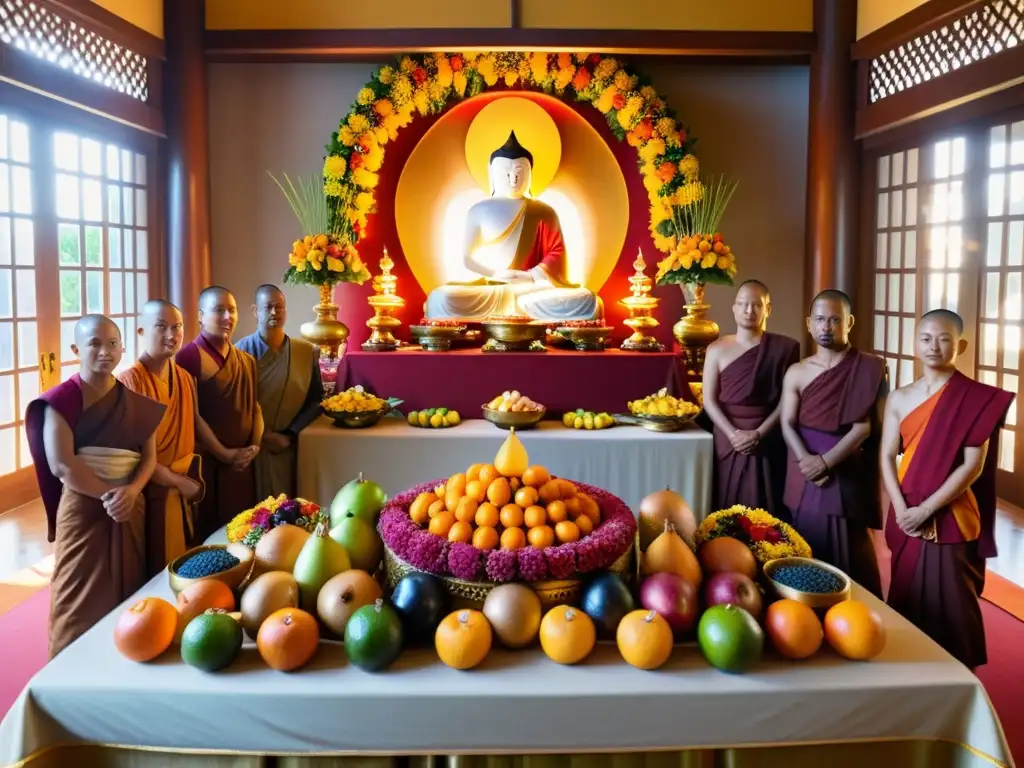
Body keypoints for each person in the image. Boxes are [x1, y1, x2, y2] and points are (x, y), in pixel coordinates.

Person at [25, 315, 166, 658]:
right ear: (75, 350)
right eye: (94, 344)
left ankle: (127, 651)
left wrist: (131, 492)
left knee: (129, 580)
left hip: (128, 503)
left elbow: (148, 458)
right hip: (85, 504)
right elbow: (62, 463)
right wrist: (109, 495)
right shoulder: (61, 401)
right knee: (77, 587)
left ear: (122, 348)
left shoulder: (134, 401)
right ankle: (67, 661)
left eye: (113, 344)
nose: (106, 352)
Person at [881, 309, 1014, 669]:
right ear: (914, 344)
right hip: (906, 510)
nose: (933, 346)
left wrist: (927, 510)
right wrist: (901, 508)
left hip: (952, 512)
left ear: (962, 345)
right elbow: (886, 457)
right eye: (925, 338)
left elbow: (973, 465)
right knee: (907, 593)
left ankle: (960, 675)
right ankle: (907, 669)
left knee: (955, 600)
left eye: (943, 339)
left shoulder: (974, 399)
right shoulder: (899, 398)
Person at [119, 300, 249, 575]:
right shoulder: (129, 382)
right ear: (141, 331)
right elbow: (133, 454)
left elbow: (195, 422)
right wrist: (174, 481)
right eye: (161, 327)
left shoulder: (184, 378)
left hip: (185, 486)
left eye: (177, 327)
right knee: (154, 569)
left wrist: (225, 454)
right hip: (151, 490)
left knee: (188, 560)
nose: (171, 334)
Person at [423, 131, 601, 322]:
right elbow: (467, 259)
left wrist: (531, 276)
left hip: (533, 289)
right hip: (494, 289)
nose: (513, 179)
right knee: (441, 298)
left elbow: (557, 252)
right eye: (506, 173)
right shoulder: (479, 210)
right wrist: (497, 274)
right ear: (492, 174)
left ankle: (522, 306)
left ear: (530, 174)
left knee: (587, 300)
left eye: (519, 172)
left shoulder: (544, 211)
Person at [781, 289, 887, 596]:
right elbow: (787, 423)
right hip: (804, 469)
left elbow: (864, 428)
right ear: (809, 323)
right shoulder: (797, 372)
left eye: (835, 319)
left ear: (849, 322)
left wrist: (825, 462)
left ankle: (861, 611)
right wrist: (807, 461)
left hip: (846, 467)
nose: (827, 326)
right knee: (807, 542)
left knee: (852, 549)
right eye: (820, 320)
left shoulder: (869, 368)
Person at [702, 280, 800, 516]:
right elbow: (709, 401)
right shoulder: (716, 349)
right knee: (727, 500)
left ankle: (771, 549)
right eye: (743, 304)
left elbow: (787, 401)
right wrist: (733, 434)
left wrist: (759, 433)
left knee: (767, 502)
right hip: (728, 436)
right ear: (734, 308)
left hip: (767, 434)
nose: (749, 311)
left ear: (768, 309)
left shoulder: (785, 348)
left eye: (757, 305)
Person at [176, 286, 262, 542]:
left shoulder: (246, 360)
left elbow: (255, 407)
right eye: (219, 310)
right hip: (209, 462)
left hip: (243, 462)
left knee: (244, 531)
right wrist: (225, 454)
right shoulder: (188, 357)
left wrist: (254, 446)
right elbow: (191, 415)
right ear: (201, 316)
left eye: (231, 310)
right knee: (211, 536)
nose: (227, 317)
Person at [236, 285, 323, 499]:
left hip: (287, 446)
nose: (274, 312)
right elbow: (233, 404)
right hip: (251, 450)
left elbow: (316, 401)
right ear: (256, 311)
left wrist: (290, 434)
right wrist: (258, 437)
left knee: (290, 508)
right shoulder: (239, 352)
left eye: (279, 307)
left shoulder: (305, 352)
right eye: (268, 307)